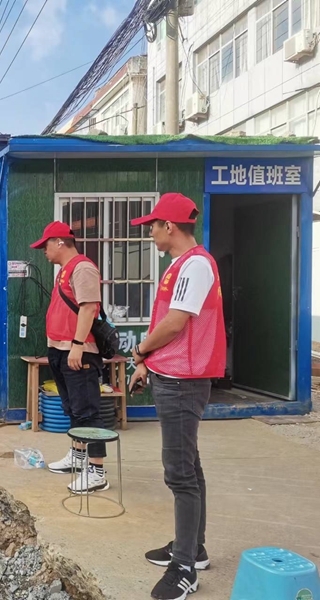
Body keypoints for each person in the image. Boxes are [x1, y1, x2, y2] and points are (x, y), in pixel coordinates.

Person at [128, 193, 225, 600]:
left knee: (179, 473)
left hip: (183, 381)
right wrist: (148, 363)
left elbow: (175, 323)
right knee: (190, 466)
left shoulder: (196, 265)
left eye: (153, 225)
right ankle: (193, 548)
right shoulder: (182, 265)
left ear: (170, 226)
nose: (150, 231)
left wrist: (140, 352)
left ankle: (184, 567)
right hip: (174, 375)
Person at [30, 221, 107, 494]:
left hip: (78, 351)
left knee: (87, 411)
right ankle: (77, 455)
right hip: (61, 349)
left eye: (46, 245)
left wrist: (77, 345)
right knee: (73, 409)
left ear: (60, 242)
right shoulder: (64, 271)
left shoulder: (83, 267)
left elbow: (88, 308)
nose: (43, 251)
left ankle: (97, 471)